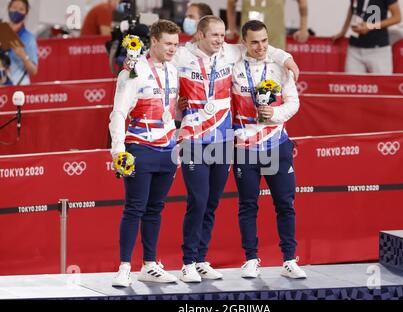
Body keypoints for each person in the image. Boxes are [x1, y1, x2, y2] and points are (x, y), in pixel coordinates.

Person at [172, 15, 299, 283]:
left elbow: (265, 47)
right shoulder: (182, 55)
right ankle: (187, 263)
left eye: (222, 35)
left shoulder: (231, 52)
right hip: (196, 138)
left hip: (222, 138)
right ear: (200, 35)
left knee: (211, 203)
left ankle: (200, 259)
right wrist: (129, 65)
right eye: (214, 35)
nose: (219, 40)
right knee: (198, 200)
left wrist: (287, 58)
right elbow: (156, 59)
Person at [231, 20, 307, 279]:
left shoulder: (279, 65)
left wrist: (274, 113)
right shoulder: (234, 65)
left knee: (285, 204)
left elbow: (293, 103)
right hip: (245, 147)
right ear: (244, 42)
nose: (261, 46)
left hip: (277, 145)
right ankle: (251, 259)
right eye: (254, 42)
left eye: (264, 40)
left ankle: (289, 259)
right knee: (248, 205)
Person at [109, 19, 181, 287]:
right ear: (154, 42)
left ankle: (149, 264)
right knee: (134, 208)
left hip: (167, 151)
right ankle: (124, 267)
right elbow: (118, 113)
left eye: (176, 44)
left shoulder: (173, 71)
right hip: (139, 147)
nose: (173, 49)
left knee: (155, 209)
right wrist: (118, 151)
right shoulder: (134, 69)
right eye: (168, 44)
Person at [333, 0, 402, 74]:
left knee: (382, 84)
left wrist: (371, 26)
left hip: (378, 49)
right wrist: (344, 31)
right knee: (353, 83)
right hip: (354, 48)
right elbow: (353, 8)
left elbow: (397, 17)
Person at [226, 0, 309, 49]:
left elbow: (302, 3)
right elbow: (231, 2)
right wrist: (231, 28)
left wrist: (303, 29)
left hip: (275, 44)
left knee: (274, 77)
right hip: (247, 44)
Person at [6, 0, 38, 86]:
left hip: (19, 87)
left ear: (26, 13)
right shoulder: (2, 31)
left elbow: (33, 71)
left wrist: (23, 56)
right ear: (9, 8)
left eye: (21, 9)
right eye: (14, 7)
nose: (16, 11)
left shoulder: (28, 38)